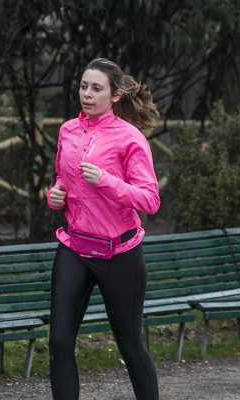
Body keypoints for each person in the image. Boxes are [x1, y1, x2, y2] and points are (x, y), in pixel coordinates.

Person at [46, 58, 160, 400]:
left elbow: (150, 200)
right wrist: (55, 196)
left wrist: (108, 182)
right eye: (84, 86)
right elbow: (62, 181)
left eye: (96, 88)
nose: (87, 94)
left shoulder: (130, 138)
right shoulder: (67, 130)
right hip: (75, 248)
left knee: (130, 345)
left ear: (114, 96)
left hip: (119, 253)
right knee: (59, 340)